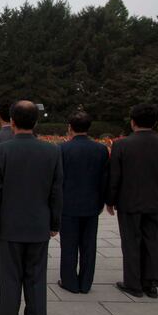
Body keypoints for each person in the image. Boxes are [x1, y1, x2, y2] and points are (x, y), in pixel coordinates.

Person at [0, 101, 62, 315]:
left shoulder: (0, 152)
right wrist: (55, 223)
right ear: (36, 122)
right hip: (39, 226)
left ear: (13, 121)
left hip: (9, 227)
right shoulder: (52, 152)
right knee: (36, 279)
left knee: (10, 278)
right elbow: (56, 192)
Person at [105, 104, 158, 299]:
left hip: (129, 201)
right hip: (155, 201)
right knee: (153, 242)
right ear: (155, 122)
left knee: (131, 242)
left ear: (132, 122)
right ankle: (151, 283)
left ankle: (133, 283)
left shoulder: (122, 145)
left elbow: (115, 176)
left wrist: (109, 200)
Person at [57, 111, 109, 294]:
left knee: (69, 245)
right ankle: (86, 282)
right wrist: (104, 201)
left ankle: (69, 281)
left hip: (68, 203)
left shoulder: (62, 149)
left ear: (70, 127)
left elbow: (58, 179)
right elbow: (105, 179)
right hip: (92, 204)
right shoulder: (101, 149)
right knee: (89, 246)